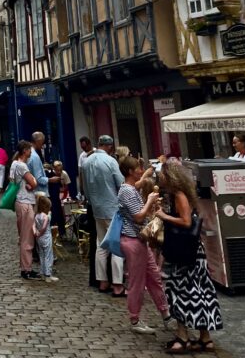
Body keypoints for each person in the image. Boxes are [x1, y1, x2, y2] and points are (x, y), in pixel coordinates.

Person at [158, 160, 222, 352]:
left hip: (186, 252)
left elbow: (186, 221)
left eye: (163, 174)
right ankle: (205, 337)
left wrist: (164, 216)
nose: (160, 177)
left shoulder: (179, 194)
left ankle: (183, 336)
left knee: (180, 291)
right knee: (199, 292)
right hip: (193, 251)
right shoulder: (179, 194)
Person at [117, 155, 171, 335]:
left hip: (140, 240)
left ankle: (165, 313)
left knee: (154, 277)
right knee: (137, 282)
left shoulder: (131, 188)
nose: (140, 171)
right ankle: (135, 319)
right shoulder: (126, 191)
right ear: (130, 172)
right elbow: (138, 216)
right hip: (132, 240)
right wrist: (148, 201)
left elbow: (139, 184)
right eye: (137, 169)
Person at [82, 134, 124, 296]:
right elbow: (120, 184)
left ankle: (102, 281)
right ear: (109, 146)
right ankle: (118, 283)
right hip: (112, 208)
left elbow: (85, 189)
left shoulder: (86, 162)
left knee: (101, 244)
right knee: (116, 244)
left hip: (96, 209)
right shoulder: (110, 161)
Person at [10, 140, 39, 279]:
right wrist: (33, 184)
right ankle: (26, 268)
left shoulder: (14, 163)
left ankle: (25, 266)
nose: (31, 151)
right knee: (27, 237)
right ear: (25, 151)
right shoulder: (21, 165)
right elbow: (33, 182)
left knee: (24, 236)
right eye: (29, 149)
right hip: (25, 202)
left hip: (20, 201)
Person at [34, 195, 58, 283]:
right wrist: (41, 232)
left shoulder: (37, 216)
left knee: (41, 255)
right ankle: (48, 274)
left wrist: (36, 233)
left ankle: (42, 272)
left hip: (39, 239)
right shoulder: (46, 216)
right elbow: (44, 227)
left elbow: (34, 225)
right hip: (46, 237)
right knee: (48, 255)